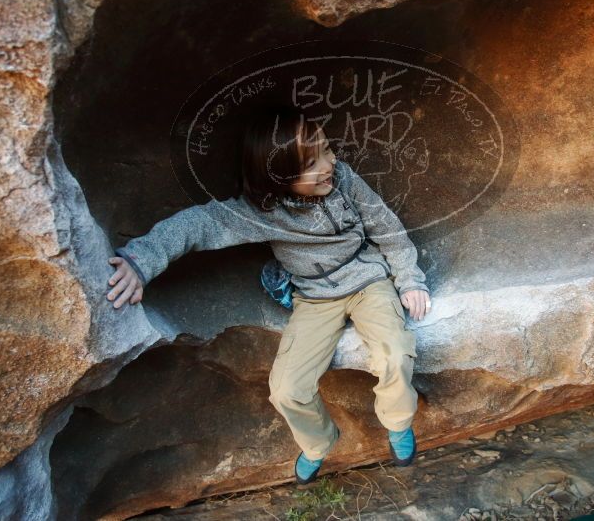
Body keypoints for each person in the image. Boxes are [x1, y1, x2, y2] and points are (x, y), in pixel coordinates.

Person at [105, 104, 432, 484]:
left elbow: (387, 228)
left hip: (368, 281)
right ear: (276, 176)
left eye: (326, 149)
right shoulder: (262, 211)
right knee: (287, 389)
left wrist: (410, 280)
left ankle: (397, 423)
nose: (328, 163)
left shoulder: (343, 179)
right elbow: (198, 224)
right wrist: (141, 261)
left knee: (394, 354)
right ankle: (318, 444)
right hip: (315, 297)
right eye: (311, 162)